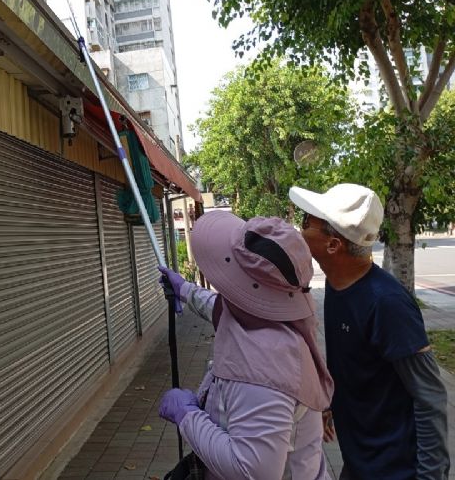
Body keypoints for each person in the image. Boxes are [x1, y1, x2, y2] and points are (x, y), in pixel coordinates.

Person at [289, 183, 450, 480]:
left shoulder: (386, 304)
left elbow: (431, 397)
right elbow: (357, 363)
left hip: (395, 470)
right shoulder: (339, 287)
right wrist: (331, 403)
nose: (299, 231)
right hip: (359, 460)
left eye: (306, 223)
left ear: (333, 244)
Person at [158, 213, 335, 480]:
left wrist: (187, 416)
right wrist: (184, 289)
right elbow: (217, 307)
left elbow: (252, 471)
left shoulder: (265, 369)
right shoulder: (267, 319)